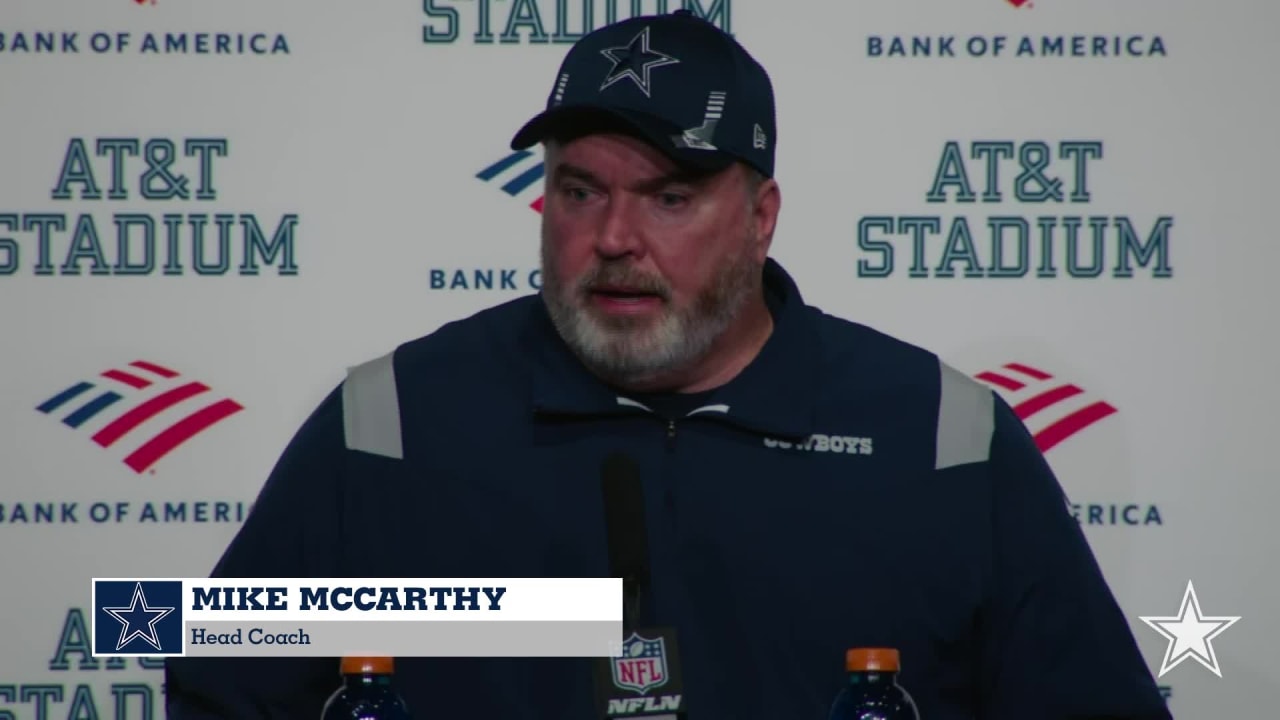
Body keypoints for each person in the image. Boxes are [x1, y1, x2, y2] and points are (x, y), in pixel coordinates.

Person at [164, 10, 1173, 720]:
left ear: (760, 217)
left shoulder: (941, 439)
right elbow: (218, 691)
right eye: (576, 190)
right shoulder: (389, 426)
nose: (611, 237)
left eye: (669, 196)